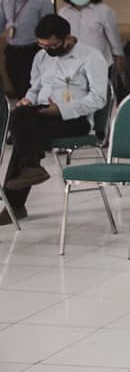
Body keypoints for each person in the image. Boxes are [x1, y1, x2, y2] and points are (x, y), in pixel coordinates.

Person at [0, 14, 108, 225]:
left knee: (24, 131)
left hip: (74, 119)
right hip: (41, 113)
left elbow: (98, 99)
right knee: (21, 114)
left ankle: (18, 198)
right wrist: (27, 100)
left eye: (52, 46)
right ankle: (30, 169)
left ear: (67, 39)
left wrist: (61, 109)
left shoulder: (91, 57)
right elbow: (35, 88)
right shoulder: (41, 57)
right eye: (42, 45)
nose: (47, 50)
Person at [1, 0, 53, 98]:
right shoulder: (6, 0)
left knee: (33, 89)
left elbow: (49, 29)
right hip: (12, 51)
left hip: (33, 50)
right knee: (17, 87)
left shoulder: (43, 1)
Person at [58, 0, 124, 73]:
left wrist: (119, 58)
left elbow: (114, 37)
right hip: (71, 64)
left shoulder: (104, 11)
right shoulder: (63, 12)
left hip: (99, 63)